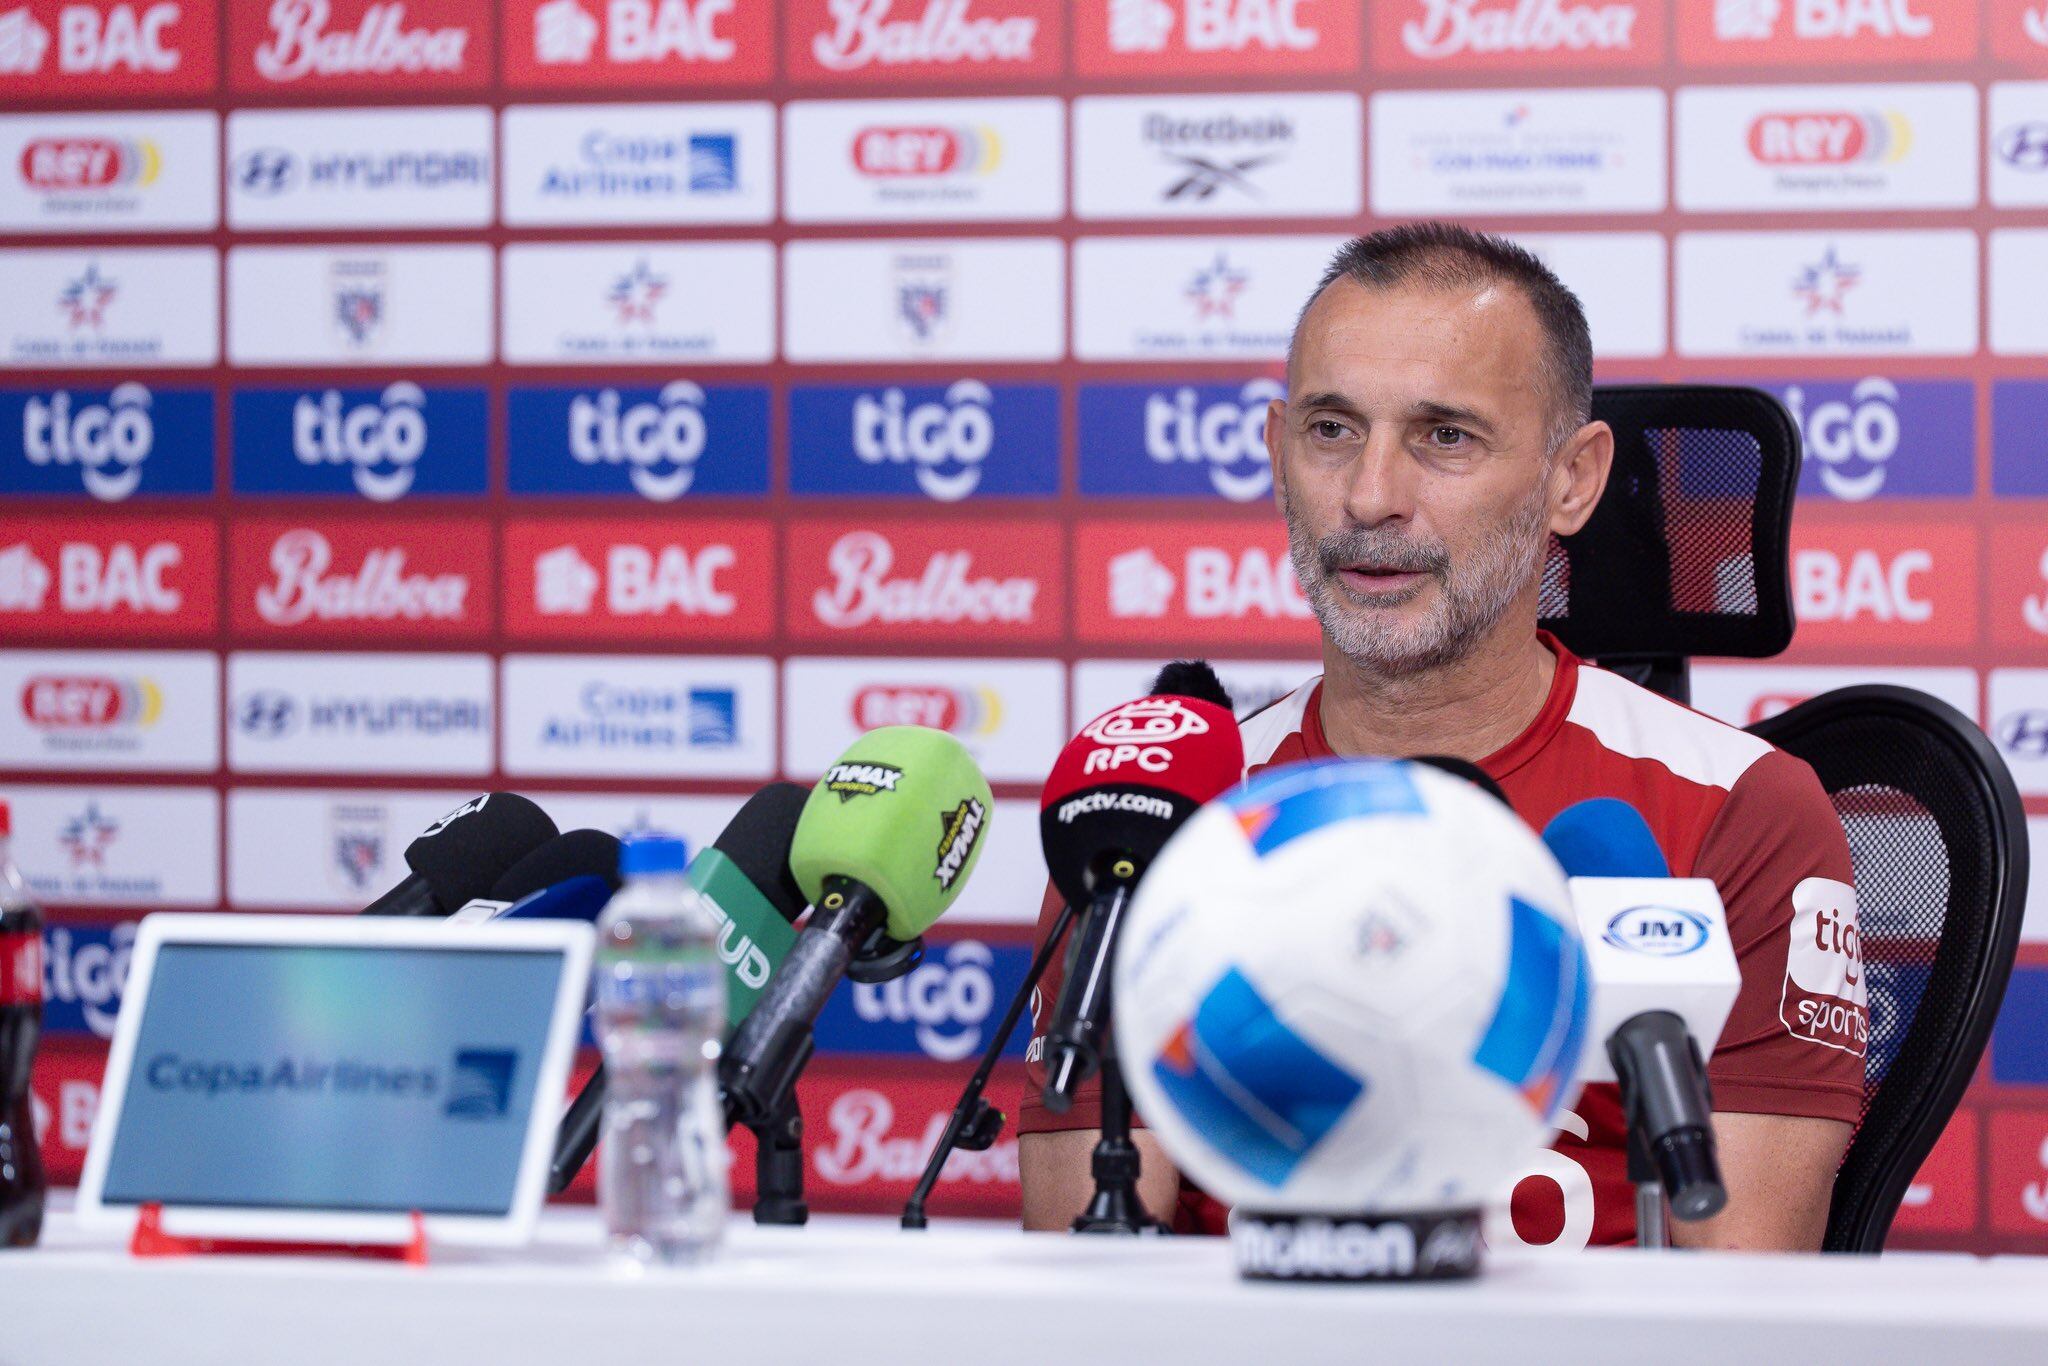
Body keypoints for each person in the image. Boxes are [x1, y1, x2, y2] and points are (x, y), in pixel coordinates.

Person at [1018, 222, 1866, 1251]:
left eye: (1444, 438)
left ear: (1571, 480)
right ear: (1278, 450)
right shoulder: (1153, 819)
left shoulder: (1741, 809)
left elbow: (1743, 1311)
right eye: (1331, 430)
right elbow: (1092, 1289)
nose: (1370, 498)